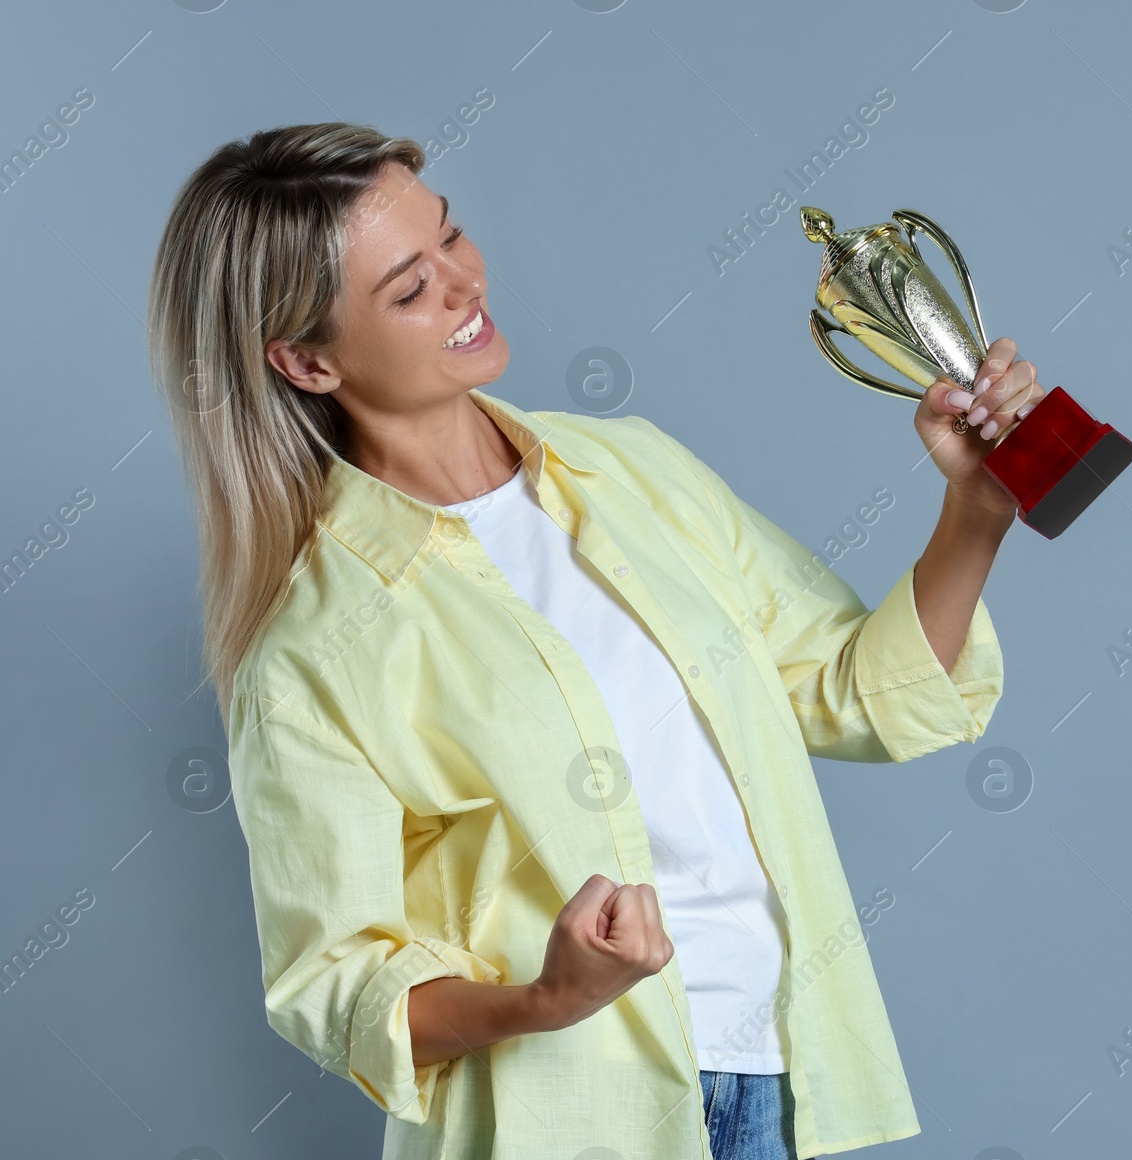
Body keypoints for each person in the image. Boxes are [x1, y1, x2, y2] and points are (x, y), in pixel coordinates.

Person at [146, 122, 1041, 1160]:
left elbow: (853, 690)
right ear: (305, 359)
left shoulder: (633, 469)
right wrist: (547, 997)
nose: (462, 283)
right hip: (561, 1120)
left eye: (452, 237)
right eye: (406, 289)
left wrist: (973, 508)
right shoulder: (311, 645)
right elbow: (334, 980)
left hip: (776, 1080)